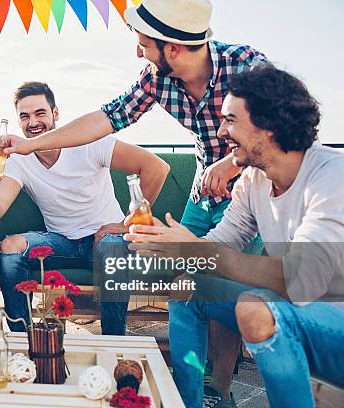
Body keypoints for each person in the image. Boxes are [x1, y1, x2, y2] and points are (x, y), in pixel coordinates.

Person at [4, 1, 268, 403]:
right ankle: (187, 393)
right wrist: (31, 145)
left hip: (248, 193)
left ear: (174, 48)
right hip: (202, 194)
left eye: (144, 44)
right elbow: (106, 117)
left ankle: (220, 388)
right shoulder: (157, 79)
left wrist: (231, 163)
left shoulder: (246, 65)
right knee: (183, 291)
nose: (138, 53)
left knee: (220, 289)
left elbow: (280, 122)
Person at [124, 66, 344, 407]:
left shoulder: (332, 175)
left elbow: (303, 281)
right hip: (293, 310)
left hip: (334, 322)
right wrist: (168, 247)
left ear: (267, 127)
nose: (222, 131)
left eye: (230, 120)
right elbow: (222, 245)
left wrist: (194, 249)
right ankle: (188, 402)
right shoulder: (252, 182)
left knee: (256, 308)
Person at [0, 82, 169, 335]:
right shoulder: (19, 159)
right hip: (62, 242)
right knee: (10, 247)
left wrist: (126, 224)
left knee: (111, 249)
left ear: (55, 114)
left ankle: (113, 342)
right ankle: (23, 341)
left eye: (40, 113)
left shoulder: (90, 142)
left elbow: (156, 168)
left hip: (105, 239)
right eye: (25, 116)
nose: (33, 122)